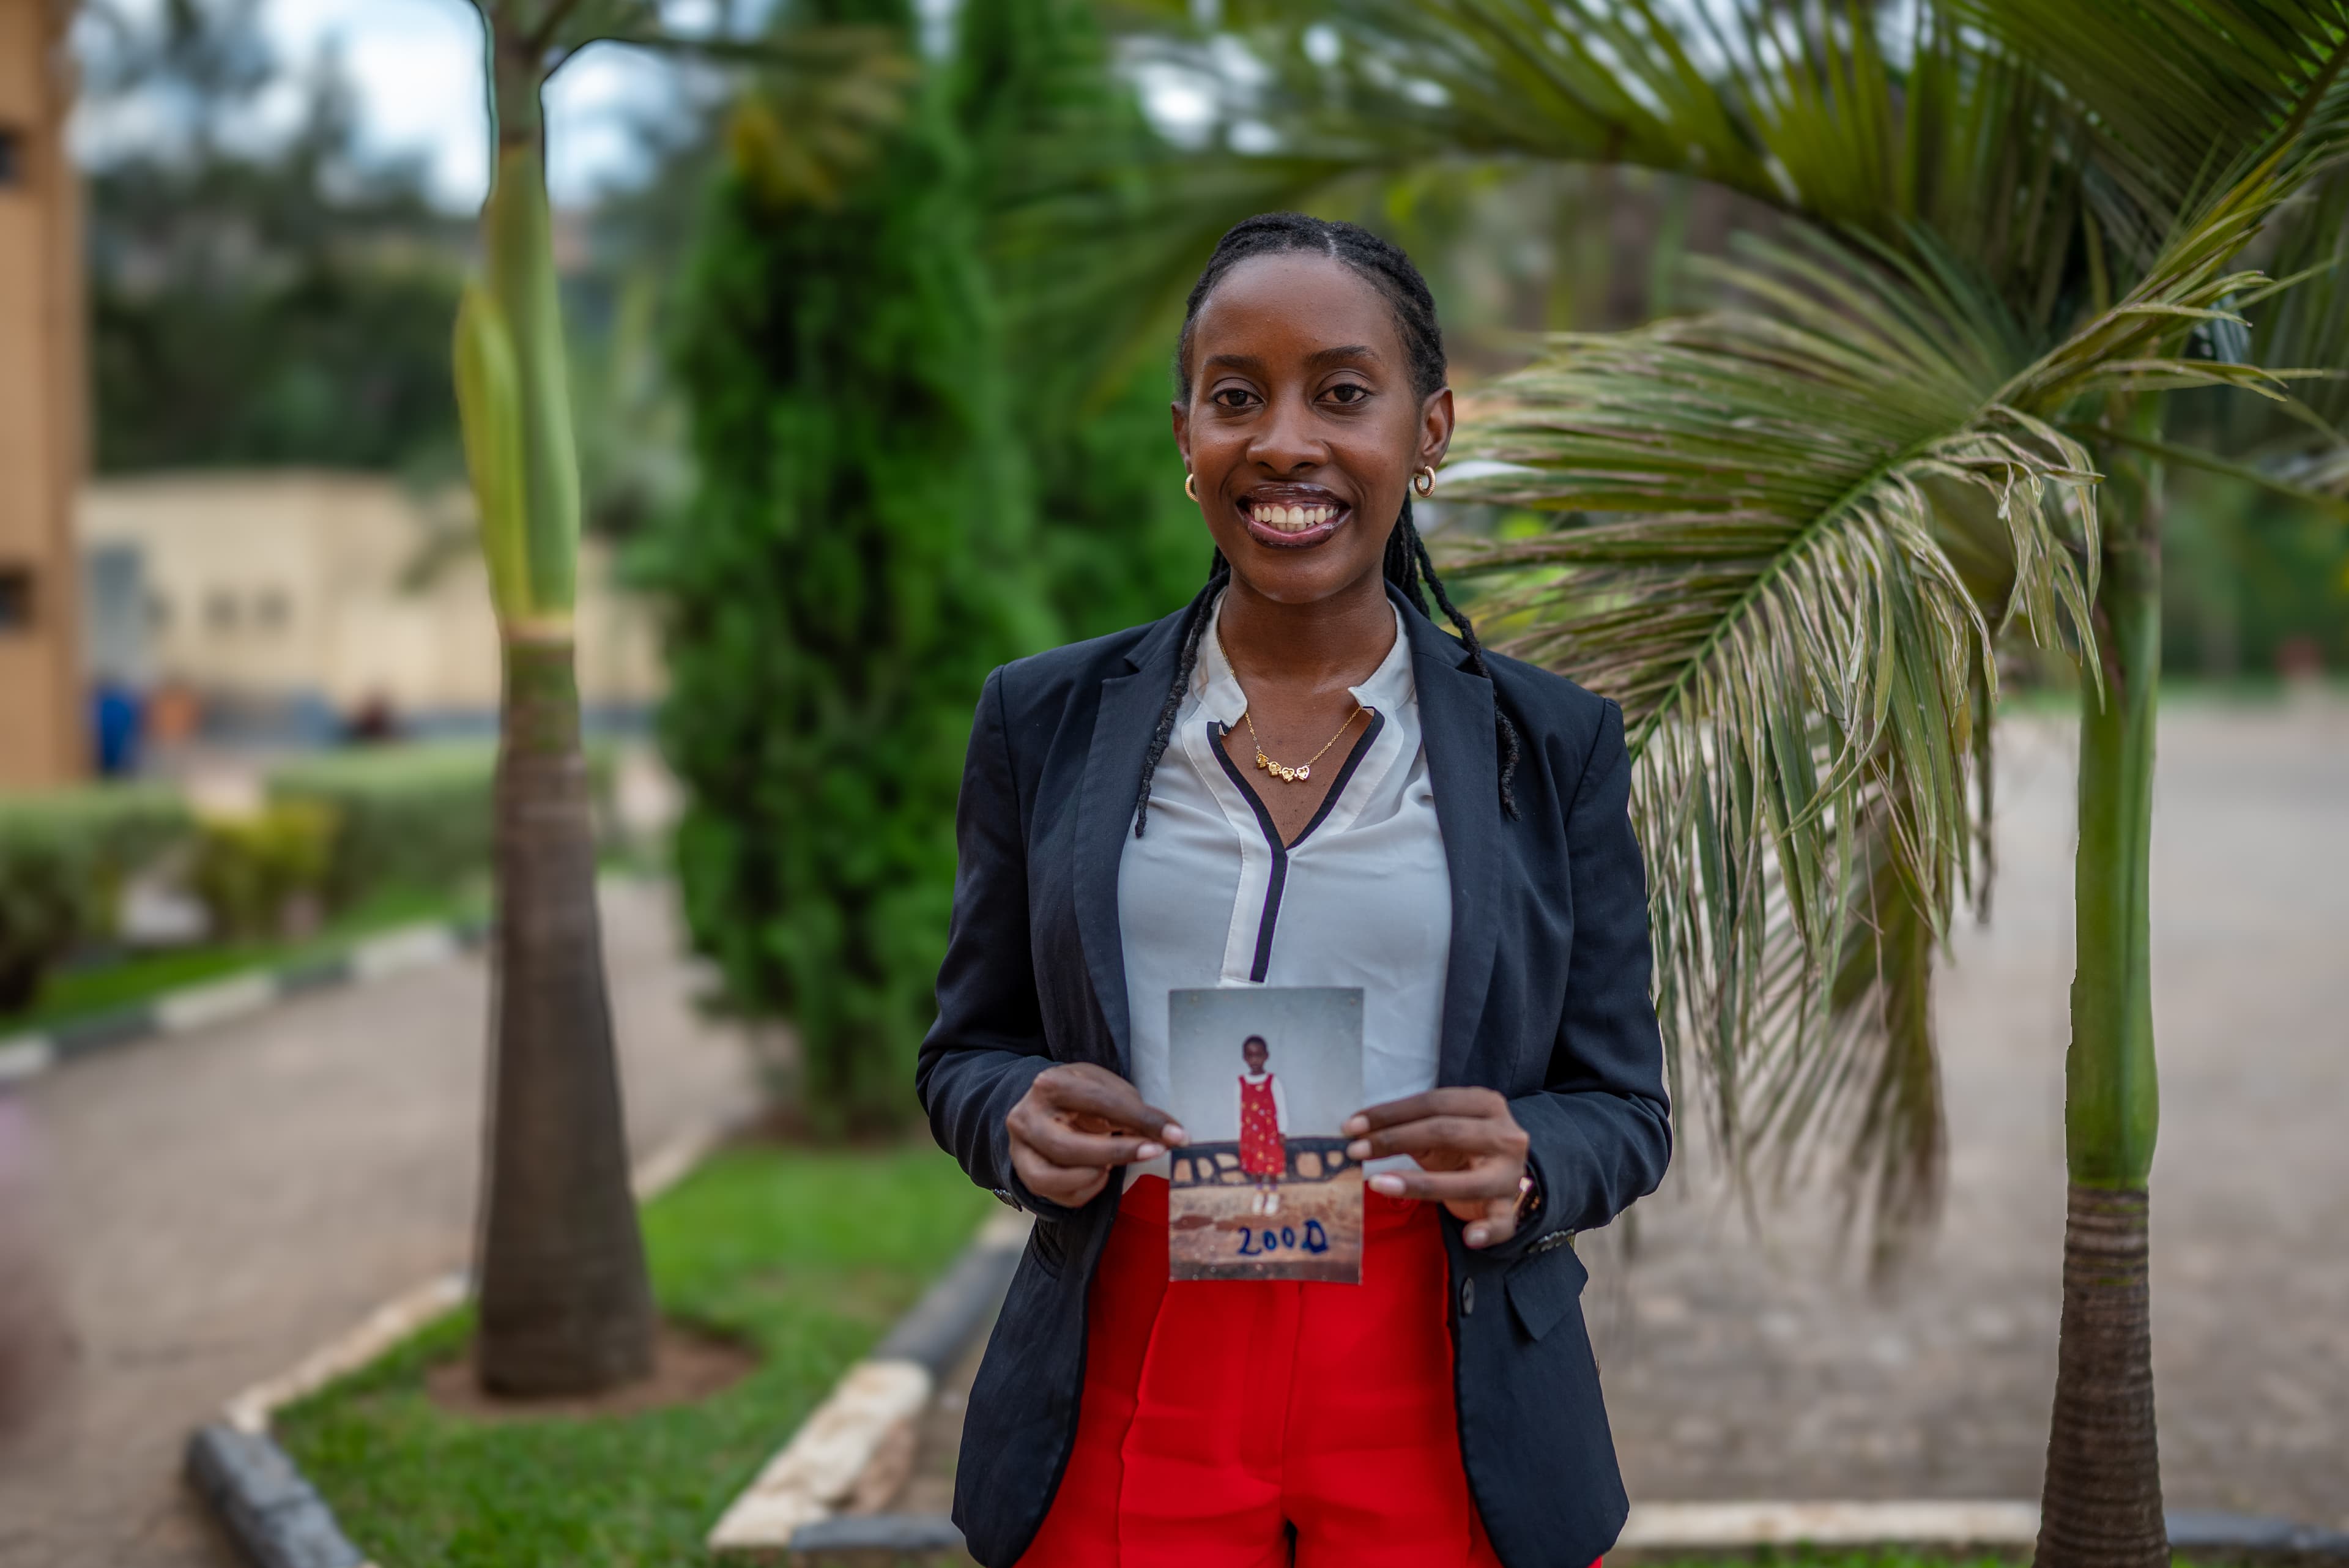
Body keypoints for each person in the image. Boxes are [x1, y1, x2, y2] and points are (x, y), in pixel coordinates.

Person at [917, 213, 1670, 1568]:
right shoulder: (1046, 719)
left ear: (1429, 430)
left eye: (1341, 392)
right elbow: (967, 1049)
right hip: (1137, 1348)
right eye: (1235, 397)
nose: (1283, 442)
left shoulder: (1552, 745)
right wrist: (1010, 1117)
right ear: (1185, 436)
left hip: (1437, 1365)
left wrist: (1530, 1159)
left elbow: (1624, 1106)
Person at [1234, 1033, 1287, 1215]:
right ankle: (1259, 1193)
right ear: (1245, 1058)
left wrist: (1282, 1131)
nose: (1255, 1060)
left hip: (1270, 1132)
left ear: (1266, 1056)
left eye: (1259, 1055)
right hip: (1250, 1133)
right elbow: (1237, 1109)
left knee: (1271, 1164)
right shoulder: (1241, 1083)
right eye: (1250, 1056)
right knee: (1255, 1164)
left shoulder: (1273, 1081)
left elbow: (1281, 1106)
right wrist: (1239, 1133)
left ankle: (1273, 1194)